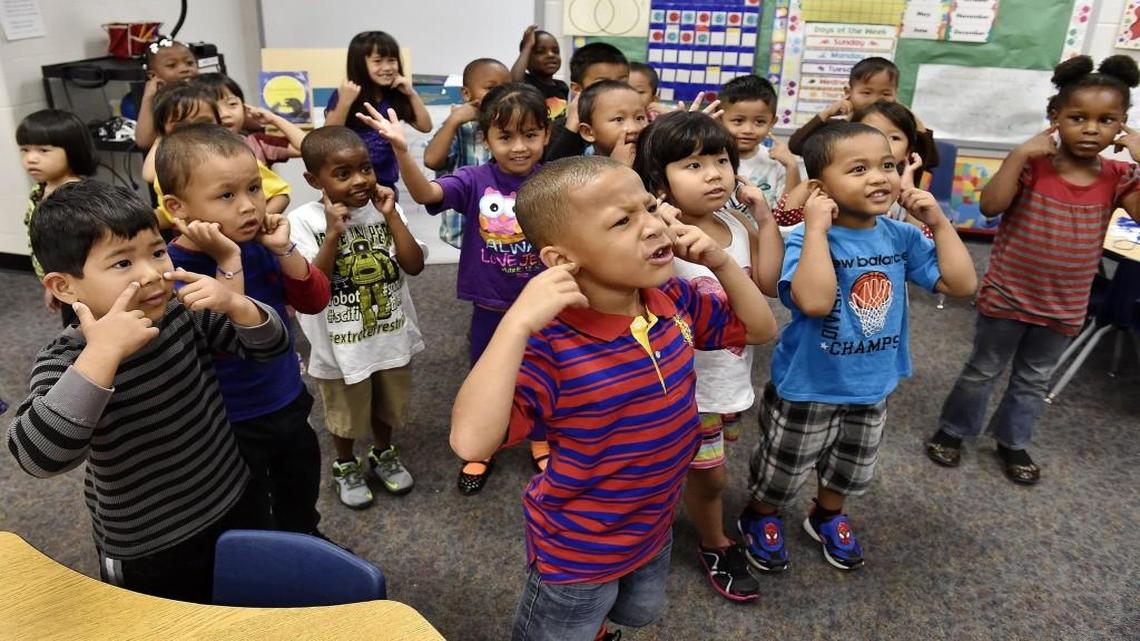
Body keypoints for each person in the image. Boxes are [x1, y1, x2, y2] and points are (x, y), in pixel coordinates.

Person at [450, 155, 777, 640]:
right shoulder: (550, 345)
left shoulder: (673, 300)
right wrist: (517, 322)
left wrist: (720, 262)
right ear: (562, 261)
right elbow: (472, 443)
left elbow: (759, 328)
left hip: (652, 524)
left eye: (648, 207)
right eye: (623, 221)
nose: (653, 227)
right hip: (579, 548)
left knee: (637, 612)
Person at [7, 180, 289, 603]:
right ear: (65, 287)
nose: (152, 273)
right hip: (149, 541)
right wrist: (102, 353)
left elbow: (269, 346)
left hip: (230, 495)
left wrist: (235, 304)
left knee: (249, 605)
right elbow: (38, 456)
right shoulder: (67, 356)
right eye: (122, 263)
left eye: (157, 252)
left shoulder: (178, 314)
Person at [738, 121, 976, 573]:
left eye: (888, 165)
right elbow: (813, 300)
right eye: (859, 168)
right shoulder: (805, 241)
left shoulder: (900, 236)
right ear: (820, 187)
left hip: (872, 385)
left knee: (850, 466)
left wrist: (939, 222)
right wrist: (814, 230)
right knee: (782, 470)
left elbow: (961, 283)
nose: (879, 177)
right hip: (810, 385)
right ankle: (761, 515)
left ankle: (826, 515)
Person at [925, 55, 1140, 484]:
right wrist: (1021, 153)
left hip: (1065, 304)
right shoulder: (1033, 164)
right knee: (983, 368)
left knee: (1033, 378)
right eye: (1078, 117)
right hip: (1008, 294)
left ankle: (1012, 440)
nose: (1092, 129)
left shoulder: (1118, 175)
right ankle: (953, 430)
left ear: (1123, 125)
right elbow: (990, 206)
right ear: (1054, 118)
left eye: (1106, 120)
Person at [357, 83, 551, 494]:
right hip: (491, 305)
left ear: (546, 135)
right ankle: (482, 446)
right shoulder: (474, 178)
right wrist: (400, 150)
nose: (519, 147)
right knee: (488, 377)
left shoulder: (554, 184)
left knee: (544, 375)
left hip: (544, 304)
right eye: (506, 137)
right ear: (485, 139)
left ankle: (541, 436)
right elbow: (428, 193)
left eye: (530, 135)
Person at [633, 110, 782, 601]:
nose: (715, 173)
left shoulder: (733, 222)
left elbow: (765, 284)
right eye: (693, 165)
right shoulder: (654, 238)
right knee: (711, 475)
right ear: (659, 179)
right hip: (680, 389)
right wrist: (656, 220)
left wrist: (761, 218)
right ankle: (714, 540)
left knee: (704, 466)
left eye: (721, 160)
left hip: (727, 378)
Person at [159, 124, 332, 534]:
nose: (249, 206)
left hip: (285, 396)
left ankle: (306, 538)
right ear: (177, 207)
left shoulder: (261, 243)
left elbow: (314, 300)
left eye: (254, 188)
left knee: (300, 488)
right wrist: (226, 259)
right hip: (227, 419)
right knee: (249, 511)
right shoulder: (172, 270)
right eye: (226, 195)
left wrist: (285, 251)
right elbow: (228, 337)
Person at [289, 126, 426, 509]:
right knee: (345, 415)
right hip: (339, 344)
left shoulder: (386, 208)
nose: (360, 180)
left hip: (389, 334)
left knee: (387, 405)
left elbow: (413, 265)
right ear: (313, 180)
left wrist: (391, 217)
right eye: (343, 173)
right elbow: (311, 285)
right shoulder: (304, 221)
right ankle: (346, 463)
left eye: (365, 168)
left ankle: (383, 452)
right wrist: (333, 234)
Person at [142, 81, 292, 228]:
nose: (194, 131)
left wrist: (257, 222)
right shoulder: (171, 169)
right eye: (181, 126)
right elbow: (168, 215)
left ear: (219, 124)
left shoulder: (235, 160)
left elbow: (280, 195)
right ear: (163, 132)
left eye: (204, 122)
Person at [774, 100, 934, 238]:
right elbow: (785, 218)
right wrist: (825, 173)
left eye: (894, 137)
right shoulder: (833, 185)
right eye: (869, 132)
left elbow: (924, 243)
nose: (880, 141)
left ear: (908, 151)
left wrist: (908, 191)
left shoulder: (902, 192)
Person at [786, 57, 939, 180]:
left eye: (885, 94)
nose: (876, 100)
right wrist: (826, 114)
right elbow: (796, 145)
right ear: (849, 92)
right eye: (866, 93)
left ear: (895, 95)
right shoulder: (840, 128)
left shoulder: (897, 132)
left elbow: (930, 160)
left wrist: (906, 114)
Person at [324, 31, 432, 194]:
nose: (387, 68)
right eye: (378, 61)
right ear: (360, 64)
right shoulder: (346, 94)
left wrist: (411, 93)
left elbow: (425, 126)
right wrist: (345, 102)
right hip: (349, 186)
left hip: (386, 185)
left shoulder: (396, 94)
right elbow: (326, 138)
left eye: (392, 60)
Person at [16, 109, 97, 320]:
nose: (31, 158)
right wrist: (51, 283)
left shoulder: (77, 196)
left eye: (43, 150)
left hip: (83, 284)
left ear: (73, 151)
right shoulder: (40, 189)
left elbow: (80, 250)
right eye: (24, 150)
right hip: (62, 282)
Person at [423, 58, 511, 248]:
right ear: (466, 93)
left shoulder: (512, 126)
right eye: (490, 88)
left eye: (506, 88)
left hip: (506, 223)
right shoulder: (461, 127)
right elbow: (431, 160)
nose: (500, 95)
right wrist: (454, 121)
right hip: (466, 225)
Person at [719, 74, 800, 213]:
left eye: (759, 122)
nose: (748, 130)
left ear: (772, 123)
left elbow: (788, 213)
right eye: (738, 121)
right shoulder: (710, 158)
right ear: (720, 119)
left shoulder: (777, 163)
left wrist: (792, 167)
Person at [194, 72, 307, 165]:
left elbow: (304, 148)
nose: (225, 114)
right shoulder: (192, 151)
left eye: (232, 104)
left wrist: (273, 119)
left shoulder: (256, 144)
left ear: (244, 107)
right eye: (215, 108)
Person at [544, 42, 630, 161]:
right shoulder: (561, 128)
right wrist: (571, 128)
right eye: (602, 83)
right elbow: (551, 173)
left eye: (622, 83)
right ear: (578, 89)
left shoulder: (634, 124)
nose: (615, 90)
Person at [133, 36, 198, 150]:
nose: (184, 69)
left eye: (189, 63)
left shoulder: (207, 91)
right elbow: (143, 142)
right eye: (172, 65)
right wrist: (147, 98)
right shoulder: (160, 102)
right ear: (153, 76)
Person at [575, 80, 649, 163]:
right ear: (588, 132)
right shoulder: (580, 171)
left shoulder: (654, 164)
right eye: (619, 119)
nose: (634, 128)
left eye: (639, 118)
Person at [512, 25, 569, 118]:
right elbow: (514, 83)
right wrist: (528, 46)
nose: (551, 55)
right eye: (540, 52)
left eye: (555, 51)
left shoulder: (562, 87)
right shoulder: (526, 83)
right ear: (527, 59)